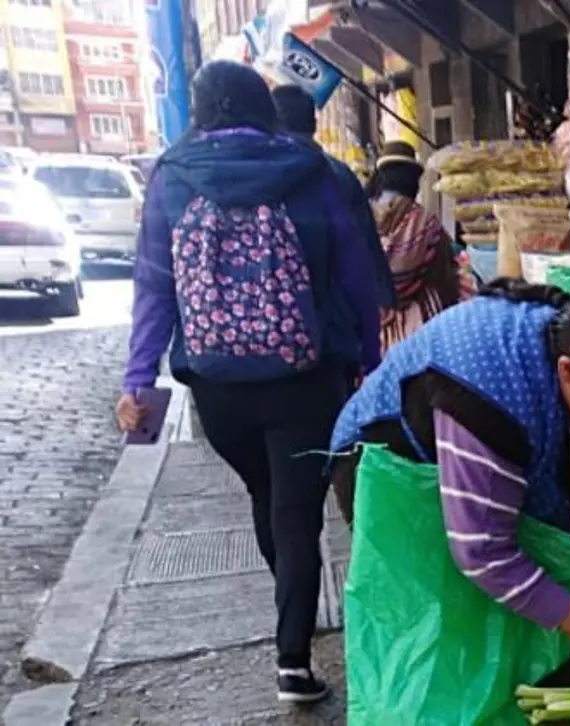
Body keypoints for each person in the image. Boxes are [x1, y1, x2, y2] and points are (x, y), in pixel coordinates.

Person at [114, 60, 382, 704]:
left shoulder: (172, 178)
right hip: (306, 378)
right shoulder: (316, 173)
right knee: (297, 512)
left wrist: (137, 379)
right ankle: (292, 657)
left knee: (266, 499)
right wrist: (371, 366)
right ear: (262, 105)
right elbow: (357, 282)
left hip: (217, 388)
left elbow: (153, 286)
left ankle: (291, 611)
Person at [329, 280, 570, 641]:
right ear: (568, 371)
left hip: (498, 464)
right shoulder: (491, 393)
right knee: (439, 626)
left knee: (530, 621)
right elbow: (482, 550)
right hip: (392, 473)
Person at [271, 84, 395, 310]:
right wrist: (382, 300)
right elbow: (366, 246)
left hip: (278, 318)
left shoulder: (256, 177)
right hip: (337, 314)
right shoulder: (338, 174)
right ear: (314, 124)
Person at [363, 140, 467, 351]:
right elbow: (446, 271)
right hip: (423, 331)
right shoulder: (425, 222)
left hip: (374, 329)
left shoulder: (361, 216)